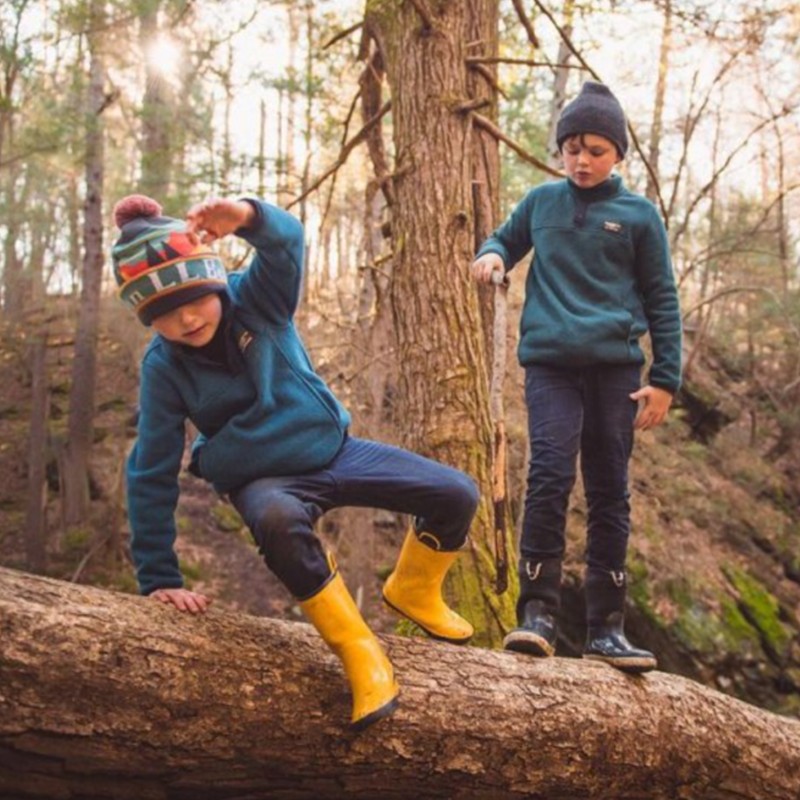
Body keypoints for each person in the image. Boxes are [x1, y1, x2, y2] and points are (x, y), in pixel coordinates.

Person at [112, 193, 479, 730]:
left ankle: (413, 589)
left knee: (457, 493)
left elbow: (286, 246)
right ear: (147, 317)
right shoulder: (163, 368)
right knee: (280, 523)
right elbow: (150, 467)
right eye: (163, 312)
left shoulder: (259, 301)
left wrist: (246, 217)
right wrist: (158, 576)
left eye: (194, 298)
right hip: (264, 480)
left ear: (214, 282)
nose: (186, 317)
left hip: (335, 451)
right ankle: (360, 652)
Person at [471, 81, 682, 673]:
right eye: (572, 148)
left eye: (595, 149)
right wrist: (490, 255)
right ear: (561, 150)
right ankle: (536, 613)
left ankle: (605, 628)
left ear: (617, 153)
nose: (582, 160)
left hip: (618, 370)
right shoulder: (541, 203)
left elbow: (662, 300)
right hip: (551, 366)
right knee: (549, 474)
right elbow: (504, 240)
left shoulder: (638, 217)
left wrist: (666, 379)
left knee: (610, 488)